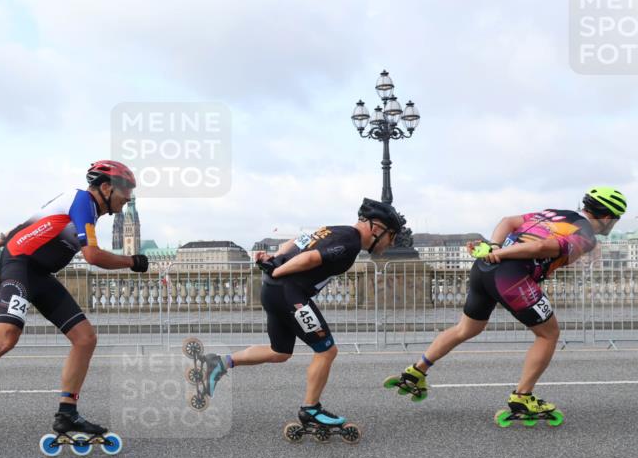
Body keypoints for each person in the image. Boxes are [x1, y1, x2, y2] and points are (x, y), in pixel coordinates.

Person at [0, 160, 145, 457]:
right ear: (106, 187)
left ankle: (67, 412)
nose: (127, 197)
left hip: (39, 273)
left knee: (85, 338)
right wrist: (132, 262)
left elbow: (33, 223)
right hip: (21, 265)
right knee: (5, 338)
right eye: (125, 190)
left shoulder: (81, 206)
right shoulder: (84, 201)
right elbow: (92, 256)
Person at [384, 186, 627, 426]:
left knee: (466, 329)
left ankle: (416, 371)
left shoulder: (556, 213)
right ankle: (522, 397)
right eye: (615, 220)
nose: (613, 224)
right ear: (607, 217)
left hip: (484, 267)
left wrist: (495, 246)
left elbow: (508, 221)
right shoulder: (585, 234)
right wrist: (503, 254)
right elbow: (541, 247)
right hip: (511, 275)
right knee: (549, 334)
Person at [191, 198, 405, 441]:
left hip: (274, 290)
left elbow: (295, 242)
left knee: (279, 351)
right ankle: (310, 409)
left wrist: (273, 260)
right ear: (376, 228)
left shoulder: (336, 230)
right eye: (392, 235)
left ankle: (219, 363)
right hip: (288, 293)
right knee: (326, 351)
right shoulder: (350, 244)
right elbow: (310, 258)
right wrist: (277, 269)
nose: (393, 242)